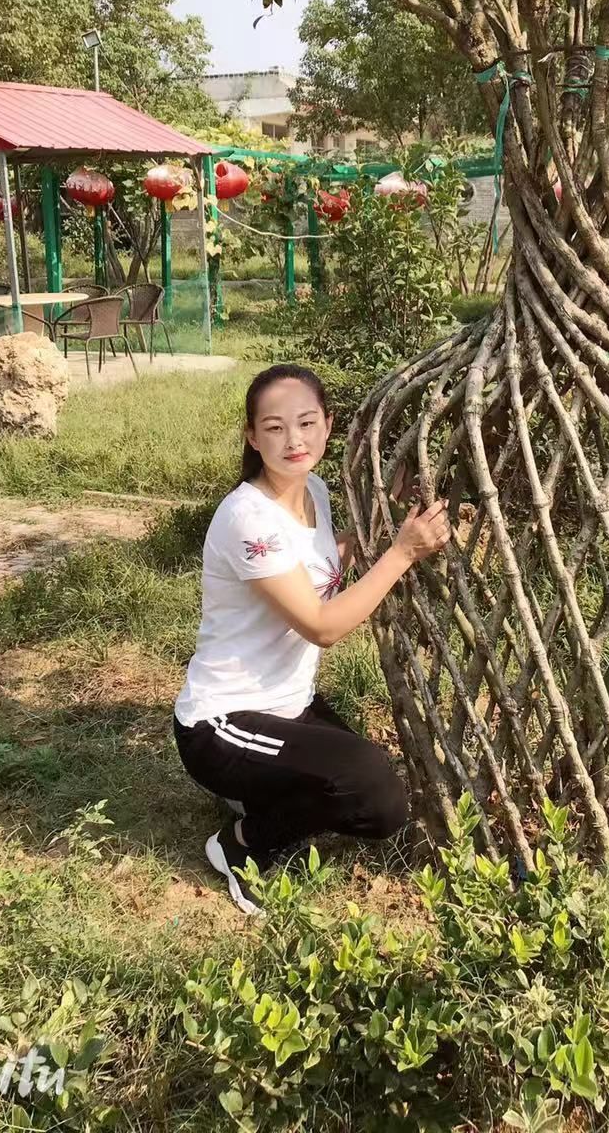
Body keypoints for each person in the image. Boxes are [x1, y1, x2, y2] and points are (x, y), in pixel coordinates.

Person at [173, 364, 450, 916]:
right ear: (252, 437)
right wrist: (402, 554)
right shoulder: (248, 518)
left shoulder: (313, 491)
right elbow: (322, 624)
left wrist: (388, 514)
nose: (293, 440)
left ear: (328, 425)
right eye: (274, 428)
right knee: (372, 789)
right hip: (221, 722)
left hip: (289, 707)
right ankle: (239, 846)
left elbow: (322, 562)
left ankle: (260, 792)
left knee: (372, 799)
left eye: (306, 422)